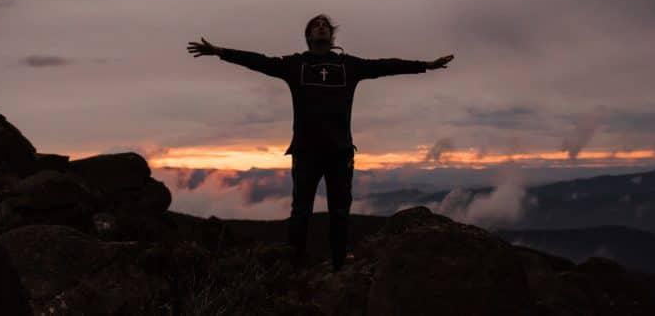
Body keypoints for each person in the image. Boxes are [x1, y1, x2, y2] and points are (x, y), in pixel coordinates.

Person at [186, 14, 454, 272]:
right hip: (305, 152)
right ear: (308, 35)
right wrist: (220, 51)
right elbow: (258, 61)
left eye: (326, 25)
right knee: (301, 212)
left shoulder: (349, 66)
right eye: (316, 25)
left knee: (340, 212)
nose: (322, 28)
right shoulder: (295, 65)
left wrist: (425, 66)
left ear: (331, 34)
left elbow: (386, 66)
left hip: (340, 153)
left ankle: (338, 266)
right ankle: (295, 267)